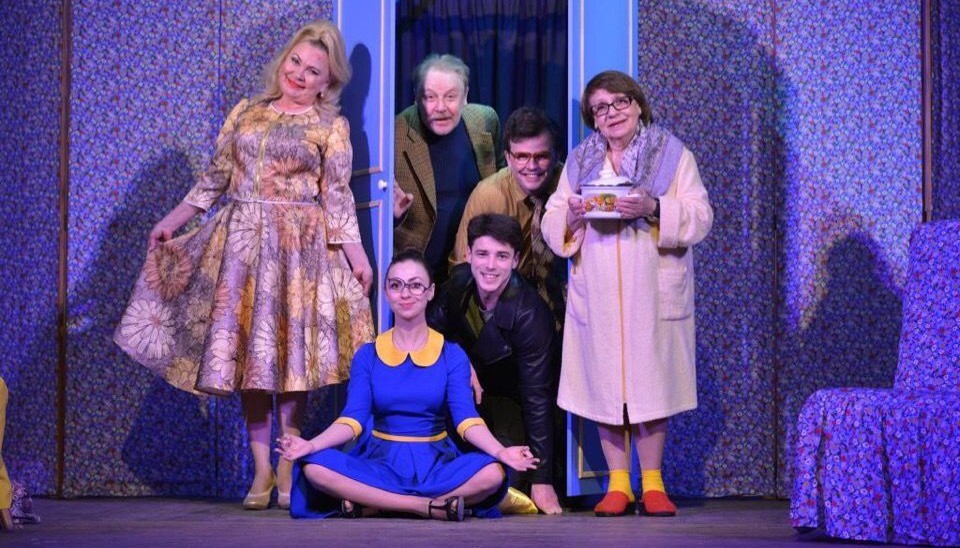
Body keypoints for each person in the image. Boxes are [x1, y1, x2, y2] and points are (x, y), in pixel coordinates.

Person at [114, 20, 375, 511]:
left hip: (298, 253)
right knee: (252, 363)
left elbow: (337, 198)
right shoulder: (246, 112)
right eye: (295, 62)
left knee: (291, 362)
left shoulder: (330, 127)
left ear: (327, 82)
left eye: (312, 70)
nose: (299, 74)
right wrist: (171, 221)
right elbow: (213, 180)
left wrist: (357, 257)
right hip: (243, 252)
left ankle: (287, 463)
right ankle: (261, 469)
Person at [541, 70, 713, 517]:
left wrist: (654, 207)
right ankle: (618, 483)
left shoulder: (672, 155)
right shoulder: (581, 161)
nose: (612, 113)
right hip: (597, 288)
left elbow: (700, 215)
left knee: (650, 383)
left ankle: (652, 483)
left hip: (651, 288)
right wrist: (573, 216)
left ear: (637, 105)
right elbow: (553, 216)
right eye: (600, 108)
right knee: (605, 384)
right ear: (592, 118)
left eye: (619, 102)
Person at [278, 249, 539, 521]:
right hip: (378, 462)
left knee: (493, 473)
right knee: (315, 467)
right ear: (387, 292)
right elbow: (352, 420)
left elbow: (466, 420)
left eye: (415, 285)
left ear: (430, 292)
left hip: (436, 464)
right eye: (396, 285)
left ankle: (377, 504)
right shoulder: (368, 355)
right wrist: (311, 446)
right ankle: (424, 506)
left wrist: (500, 451)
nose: (405, 294)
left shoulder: (451, 354)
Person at [429, 214, 562, 515]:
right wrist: (460, 361)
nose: (490, 265)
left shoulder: (531, 315)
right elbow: (427, 334)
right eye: (482, 254)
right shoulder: (458, 284)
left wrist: (542, 480)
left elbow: (536, 398)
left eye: (501, 256)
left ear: (515, 260)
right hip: (465, 398)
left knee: (504, 480)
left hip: (512, 403)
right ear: (468, 255)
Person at [450, 107, 566, 329]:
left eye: (541, 156)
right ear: (508, 158)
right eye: (521, 156)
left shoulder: (569, 185)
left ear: (555, 156)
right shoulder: (488, 195)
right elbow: (462, 269)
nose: (531, 166)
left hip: (564, 307)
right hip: (502, 310)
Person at [393, 54, 502, 282]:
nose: (441, 107)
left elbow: (502, 182)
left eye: (451, 97)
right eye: (430, 97)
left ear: (465, 96)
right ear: (416, 98)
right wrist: (391, 216)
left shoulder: (485, 121)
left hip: (474, 270)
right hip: (416, 272)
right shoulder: (395, 133)